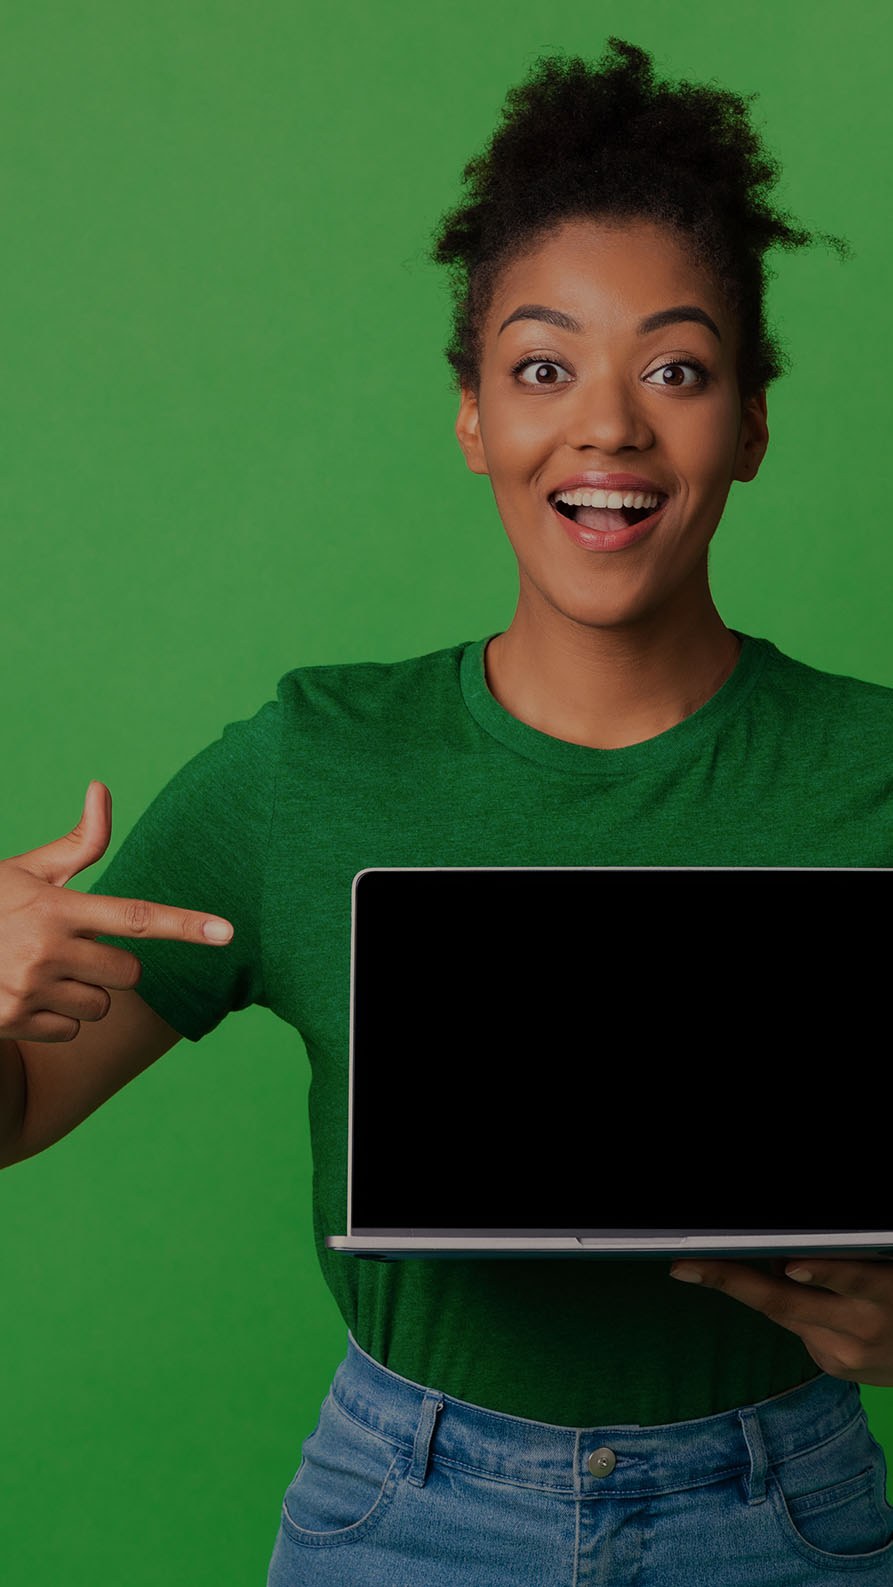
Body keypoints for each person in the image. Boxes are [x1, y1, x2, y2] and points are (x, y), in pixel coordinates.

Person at [2, 36, 893, 1587]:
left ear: (749, 423)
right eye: (541, 368)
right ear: (473, 416)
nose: (605, 427)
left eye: (673, 370)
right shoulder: (307, 764)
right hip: (409, 1513)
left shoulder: (872, 769)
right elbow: (18, 1112)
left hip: (786, 1511)